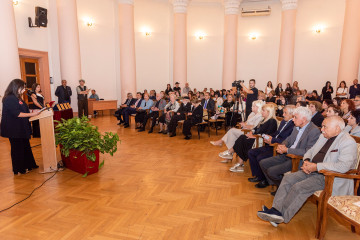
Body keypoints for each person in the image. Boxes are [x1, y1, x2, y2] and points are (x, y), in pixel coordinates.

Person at [257, 116, 357, 227]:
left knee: (299, 187)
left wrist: (316, 167)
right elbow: (310, 151)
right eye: (322, 126)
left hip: (328, 177)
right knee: (288, 178)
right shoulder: (324, 136)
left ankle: (281, 216)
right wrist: (307, 160)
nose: (322, 129)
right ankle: (275, 210)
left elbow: (344, 166)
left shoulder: (348, 142)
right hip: (311, 170)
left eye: (325, 127)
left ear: (337, 129)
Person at [259, 107, 321, 194]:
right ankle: (282, 187)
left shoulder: (313, 131)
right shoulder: (297, 127)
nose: (293, 119)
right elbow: (288, 139)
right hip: (287, 154)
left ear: (303, 119)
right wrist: (282, 145)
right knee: (263, 163)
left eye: (295, 117)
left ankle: (283, 189)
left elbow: (307, 151)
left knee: (271, 171)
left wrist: (287, 150)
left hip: (298, 159)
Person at [248, 105, 295, 188]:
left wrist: (272, 140)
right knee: (251, 152)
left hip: (278, 147)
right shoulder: (284, 121)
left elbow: (285, 141)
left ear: (292, 114)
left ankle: (265, 180)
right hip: (272, 145)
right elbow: (277, 133)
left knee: (260, 157)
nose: (283, 115)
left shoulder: (293, 125)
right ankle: (259, 176)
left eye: (285, 113)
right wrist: (269, 137)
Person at [1, 79, 40, 175]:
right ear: (16, 87)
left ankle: (29, 165)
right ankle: (19, 168)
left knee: (25, 146)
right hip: (14, 128)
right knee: (17, 148)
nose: (24, 89)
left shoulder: (18, 97)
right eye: (23, 87)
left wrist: (33, 112)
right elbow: (17, 114)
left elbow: (24, 110)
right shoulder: (10, 98)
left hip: (20, 127)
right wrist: (33, 114)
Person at [228, 104, 278, 172]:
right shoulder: (264, 119)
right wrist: (251, 133)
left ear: (269, 112)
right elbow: (255, 129)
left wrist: (254, 136)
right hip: (257, 138)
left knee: (243, 139)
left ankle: (233, 154)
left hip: (262, 141)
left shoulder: (272, 121)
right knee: (242, 138)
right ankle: (239, 162)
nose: (261, 112)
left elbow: (268, 135)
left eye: (263, 111)